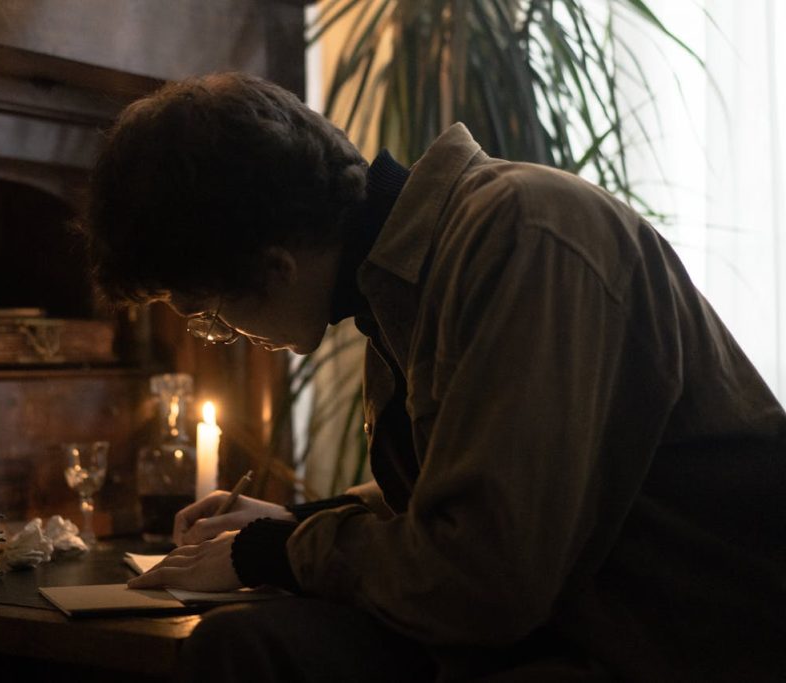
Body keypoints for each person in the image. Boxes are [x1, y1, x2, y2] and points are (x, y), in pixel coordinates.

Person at [83, 72, 785, 682]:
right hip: (578, 614)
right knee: (247, 646)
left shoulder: (521, 235)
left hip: (677, 641)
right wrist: (300, 519)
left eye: (212, 316)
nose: (229, 336)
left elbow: (485, 578)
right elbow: (476, 481)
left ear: (275, 266)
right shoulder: (401, 281)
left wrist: (274, 551)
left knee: (255, 648)